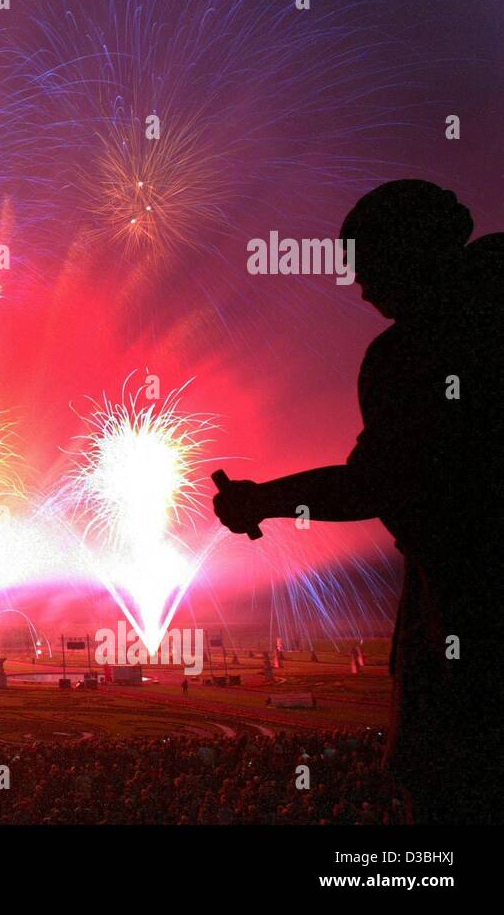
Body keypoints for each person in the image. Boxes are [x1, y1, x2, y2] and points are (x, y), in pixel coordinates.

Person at [212, 180, 504, 823]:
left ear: (411, 254)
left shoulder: (412, 354)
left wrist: (262, 500)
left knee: (444, 789)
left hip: (464, 609)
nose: (362, 288)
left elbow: (372, 483)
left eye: (367, 267)